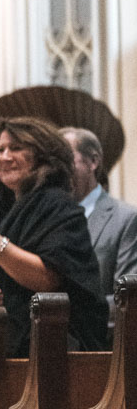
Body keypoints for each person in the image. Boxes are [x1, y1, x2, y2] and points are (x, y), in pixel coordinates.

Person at [0, 118, 109, 354]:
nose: (5, 157)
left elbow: (48, 279)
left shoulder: (58, 207)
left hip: (47, 349)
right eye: (0, 150)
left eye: (16, 148)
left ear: (42, 156)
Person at [61, 126, 137, 296]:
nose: (59, 169)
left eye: (66, 159)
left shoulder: (126, 219)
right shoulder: (47, 221)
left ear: (93, 162)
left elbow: (126, 300)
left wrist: (66, 311)